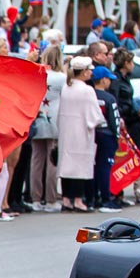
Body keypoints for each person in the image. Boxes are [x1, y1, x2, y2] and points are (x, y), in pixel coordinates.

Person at [57, 56, 101, 212]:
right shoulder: (87, 90)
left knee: (66, 164)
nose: (90, 73)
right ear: (83, 72)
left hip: (66, 131)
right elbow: (94, 114)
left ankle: (66, 199)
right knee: (80, 166)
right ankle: (78, 200)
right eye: (89, 70)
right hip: (82, 131)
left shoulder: (66, 87)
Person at [28, 45, 63, 212]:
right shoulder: (62, 78)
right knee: (52, 160)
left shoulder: (37, 75)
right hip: (55, 118)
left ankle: (35, 197)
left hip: (38, 117)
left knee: (36, 160)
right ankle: (50, 198)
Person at [90, 65, 121, 212]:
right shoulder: (109, 98)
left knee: (93, 166)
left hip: (92, 133)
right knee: (105, 167)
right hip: (107, 134)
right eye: (108, 79)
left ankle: (93, 197)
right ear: (103, 80)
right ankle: (106, 198)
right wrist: (117, 136)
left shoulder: (88, 95)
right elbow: (114, 120)